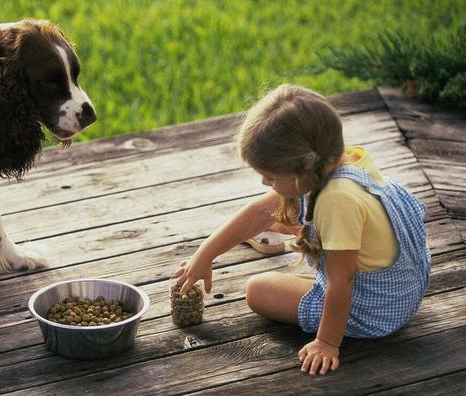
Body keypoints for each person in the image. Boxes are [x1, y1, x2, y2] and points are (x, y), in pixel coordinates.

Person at [175, 84, 430, 376]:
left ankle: (332, 330)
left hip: (378, 311)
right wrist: (205, 255)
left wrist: (326, 342)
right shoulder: (343, 160)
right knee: (279, 218)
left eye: (270, 176)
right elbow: (259, 213)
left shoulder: (337, 200)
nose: (263, 183)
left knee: (257, 290)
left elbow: (341, 283)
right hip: (405, 288)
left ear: (304, 170)